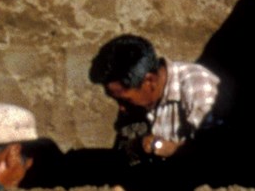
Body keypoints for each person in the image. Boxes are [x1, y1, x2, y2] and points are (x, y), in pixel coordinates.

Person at [87, 34, 221, 163]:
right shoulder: (136, 100)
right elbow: (124, 152)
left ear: (150, 81)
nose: (121, 108)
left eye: (125, 100)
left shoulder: (198, 88)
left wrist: (175, 149)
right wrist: (138, 146)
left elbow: (218, 149)